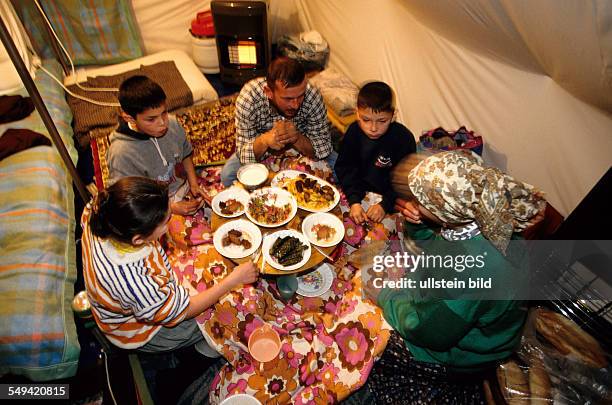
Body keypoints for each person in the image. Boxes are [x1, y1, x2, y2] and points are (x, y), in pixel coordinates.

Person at [363, 150, 546, 404]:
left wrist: (387, 297)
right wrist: (419, 224)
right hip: (451, 310)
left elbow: (431, 332)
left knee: (374, 341)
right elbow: (438, 251)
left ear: (447, 212)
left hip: (465, 351)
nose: (413, 203)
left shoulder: (473, 268)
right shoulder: (488, 219)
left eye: (420, 201)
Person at [81, 176, 258, 354]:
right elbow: (185, 310)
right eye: (165, 221)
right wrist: (232, 280)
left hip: (141, 296)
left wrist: (167, 208)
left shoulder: (99, 209)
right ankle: (200, 350)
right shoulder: (136, 283)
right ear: (138, 239)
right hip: (140, 331)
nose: (170, 220)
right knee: (217, 311)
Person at [220, 57, 335, 186]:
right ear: (269, 92)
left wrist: (296, 137)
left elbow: (323, 147)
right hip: (264, 148)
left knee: (340, 167)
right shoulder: (249, 98)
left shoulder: (312, 95)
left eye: (300, 96)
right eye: (288, 98)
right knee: (228, 175)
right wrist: (264, 141)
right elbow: (243, 154)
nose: (296, 105)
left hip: (302, 144)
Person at [107, 75, 205, 216]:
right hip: (153, 207)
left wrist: (194, 183)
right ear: (129, 118)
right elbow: (130, 201)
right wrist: (170, 208)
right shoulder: (121, 154)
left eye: (164, 113)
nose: (162, 123)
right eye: (151, 119)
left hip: (183, 186)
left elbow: (185, 153)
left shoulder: (172, 123)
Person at [335, 81, 416, 224]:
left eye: (382, 121)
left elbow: (405, 181)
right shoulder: (353, 132)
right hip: (355, 191)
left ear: (393, 116)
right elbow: (345, 168)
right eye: (365, 119)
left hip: (389, 199)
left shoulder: (404, 139)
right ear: (357, 113)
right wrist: (354, 201)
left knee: (387, 238)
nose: (373, 128)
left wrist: (385, 205)